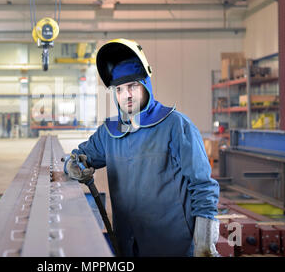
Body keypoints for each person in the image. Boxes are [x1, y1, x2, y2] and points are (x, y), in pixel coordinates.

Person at [65, 39, 220, 257]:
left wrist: (204, 244)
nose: (126, 95)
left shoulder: (175, 125)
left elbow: (203, 187)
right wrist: (71, 164)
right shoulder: (109, 132)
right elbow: (81, 157)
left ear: (146, 85)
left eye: (132, 86)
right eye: (119, 89)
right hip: (128, 245)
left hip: (172, 246)